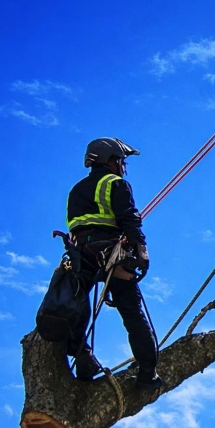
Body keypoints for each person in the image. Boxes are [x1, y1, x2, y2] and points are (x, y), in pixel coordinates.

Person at [65, 137, 164, 391]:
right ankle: (147, 373)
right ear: (111, 160)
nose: (123, 166)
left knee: (75, 308)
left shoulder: (76, 190)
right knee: (132, 312)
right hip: (111, 255)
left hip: (80, 256)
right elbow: (130, 220)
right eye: (121, 160)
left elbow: (78, 226)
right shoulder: (116, 184)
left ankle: (83, 359)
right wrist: (141, 252)